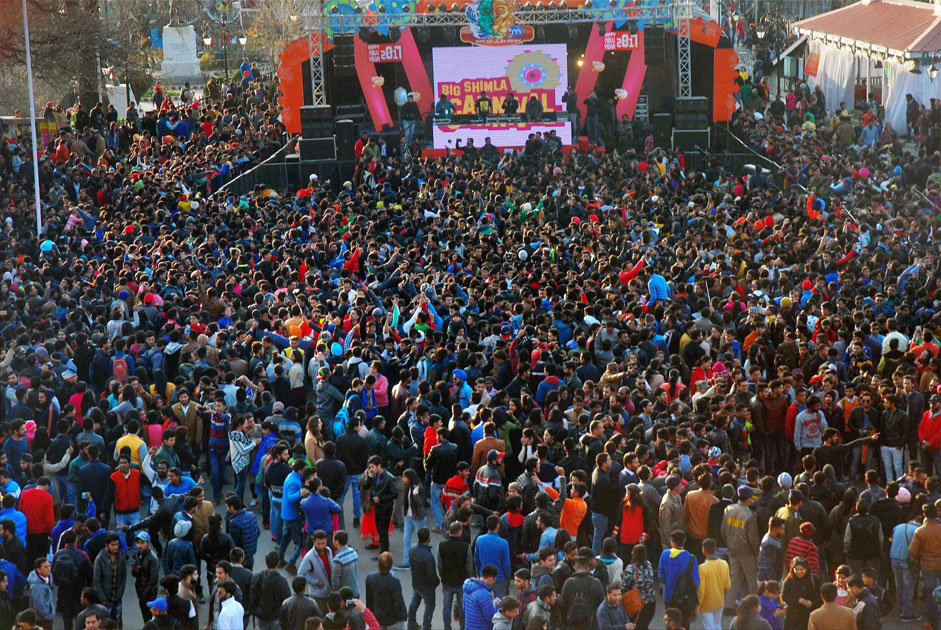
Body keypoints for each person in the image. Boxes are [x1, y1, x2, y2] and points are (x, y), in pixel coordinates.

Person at [658, 531, 699, 628]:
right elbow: (696, 581)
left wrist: (669, 582)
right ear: (684, 541)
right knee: (684, 624)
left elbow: (660, 575)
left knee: (670, 624)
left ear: (672, 542)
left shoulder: (664, 554)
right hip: (685, 598)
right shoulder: (691, 558)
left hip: (669, 596)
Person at [365, 551, 408, 630]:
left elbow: (369, 599)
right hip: (393, 620)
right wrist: (403, 616)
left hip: (378, 618)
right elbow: (398, 602)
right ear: (390, 566)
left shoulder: (370, 578)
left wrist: (370, 616)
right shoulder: (394, 582)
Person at [248, 551, 291, 630]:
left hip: (261, 614)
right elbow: (287, 599)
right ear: (278, 563)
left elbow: (252, 595)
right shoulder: (281, 581)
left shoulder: (256, 577)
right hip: (275, 615)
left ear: (265, 562)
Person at [408, 527, 439, 630]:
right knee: (429, 607)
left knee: (414, 603)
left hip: (416, 583)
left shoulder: (412, 548)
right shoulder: (428, 556)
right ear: (428, 538)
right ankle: (426, 626)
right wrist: (436, 582)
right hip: (426, 587)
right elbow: (432, 574)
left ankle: (411, 623)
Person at [92, 533, 127, 625]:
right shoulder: (99, 559)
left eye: (117, 544)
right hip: (105, 598)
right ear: (106, 545)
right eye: (112, 545)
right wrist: (102, 598)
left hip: (117, 596)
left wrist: (120, 593)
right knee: (106, 622)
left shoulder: (121, 557)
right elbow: (97, 580)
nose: (115, 547)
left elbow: (123, 577)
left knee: (117, 620)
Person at [696, 538, 730, 630]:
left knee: (709, 627)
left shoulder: (702, 568)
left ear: (704, 550)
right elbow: (727, 585)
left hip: (706, 605)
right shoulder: (724, 564)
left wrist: (697, 607)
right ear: (715, 549)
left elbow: (701, 591)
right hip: (719, 602)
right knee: (718, 625)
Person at [297, 531, 333, 612]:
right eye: (318, 544)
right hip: (317, 595)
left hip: (329, 592)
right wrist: (316, 582)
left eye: (323, 543)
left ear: (326, 541)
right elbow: (300, 574)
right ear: (314, 542)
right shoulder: (309, 557)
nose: (321, 546)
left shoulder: (329, 551)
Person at [781, 557, 820, 630]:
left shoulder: (813, 579)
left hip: (810, 617)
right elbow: (784, 597)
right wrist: (797, 601)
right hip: (794, 619)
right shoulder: (789, 580)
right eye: (797, 569)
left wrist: (812, 603)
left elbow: (820, 596)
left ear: (806, 568)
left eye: (802, 569)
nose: (799, 572)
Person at [132, 531, 161, 624]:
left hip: (149, 593)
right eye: (138, 543)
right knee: (145, 616)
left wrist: (146, 593)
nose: (139, 545)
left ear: (148, 543)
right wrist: (136, 570)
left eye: (142, 543)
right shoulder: (138, 555)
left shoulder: (152, 558)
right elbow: (135, 573)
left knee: (150, 617)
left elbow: (154, 578)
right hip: (141, 590)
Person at [27, 558, 54, 630]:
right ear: (38, 570)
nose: (49, 569)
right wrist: (48, 616)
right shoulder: (37, 587)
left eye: (49, 566)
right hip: (42, 620)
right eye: (46, 567)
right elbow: (38, 605)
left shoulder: (47, 577)